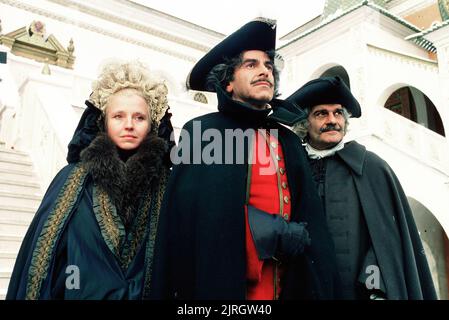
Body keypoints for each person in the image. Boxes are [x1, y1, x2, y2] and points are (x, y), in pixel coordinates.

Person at [150, 18, 341, 300]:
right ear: (227, 82)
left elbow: (314, 233)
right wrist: (260, 231)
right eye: (251, 64)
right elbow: (190, 227)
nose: (264, 71)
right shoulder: (202, 132)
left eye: (268, 65)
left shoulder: (288, 140)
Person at [6, 60, 173, 299]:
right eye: (118, 116)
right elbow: (43, 263)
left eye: (139, 117)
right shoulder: (71, 181)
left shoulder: (166, 186)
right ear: (104, 121)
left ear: (152, 124)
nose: (128, 125)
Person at [288, 76, 437, 300]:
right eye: (321, 113)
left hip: (358, 293)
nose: (332, 120)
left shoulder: (372, 167)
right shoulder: (292, 167)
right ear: (304, 123)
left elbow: (384, 244)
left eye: (338, 113)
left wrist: (373, 287)